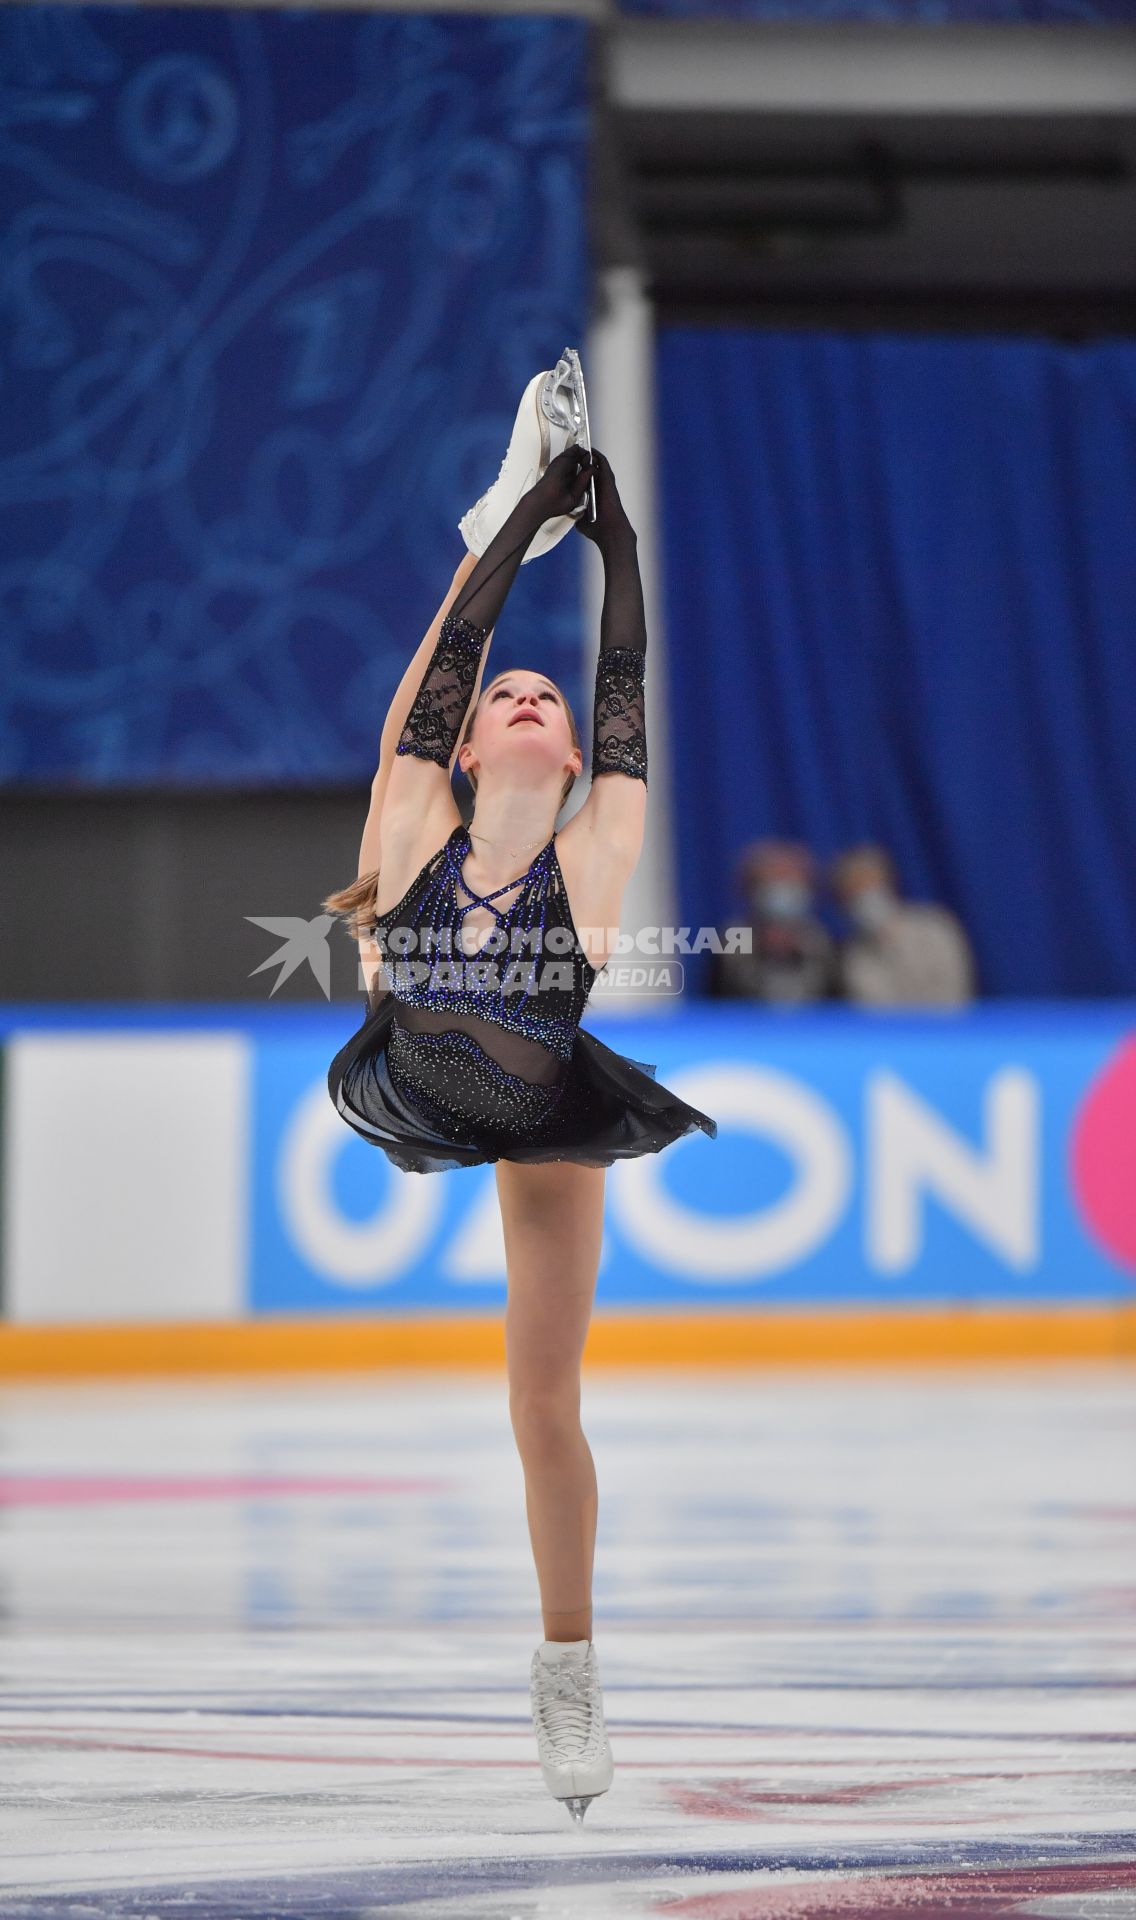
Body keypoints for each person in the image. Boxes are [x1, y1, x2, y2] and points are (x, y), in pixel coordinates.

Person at [324, 386, 716, 1825]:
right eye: (508, 697)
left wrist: (612, 545)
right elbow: (440, 692)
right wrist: (529, 529)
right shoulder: (421, 821)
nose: (530, 697)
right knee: (391, 762)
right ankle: (489, 512)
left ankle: (570, 1668)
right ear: (485, 751)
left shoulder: (601, 851)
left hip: (548, 1117)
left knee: (542, 1403)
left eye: (542, 696)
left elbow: (625, 687)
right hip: (413, 1074)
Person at [830, 843, 976, 1007]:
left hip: (947, 1030)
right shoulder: (854, 956)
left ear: (889, 884)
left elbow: (954, 994)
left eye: (869, 884)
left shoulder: (936, 926)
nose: (864, 896)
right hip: (893, 1033)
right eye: (854, 892)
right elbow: (876, 1010)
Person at [715, 839, 836, 1005]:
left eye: (789, 878)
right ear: (751, 887)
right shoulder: (731, 943)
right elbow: (717, 1006)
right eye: (774, 878)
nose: (782, 887)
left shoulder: (822, 944)